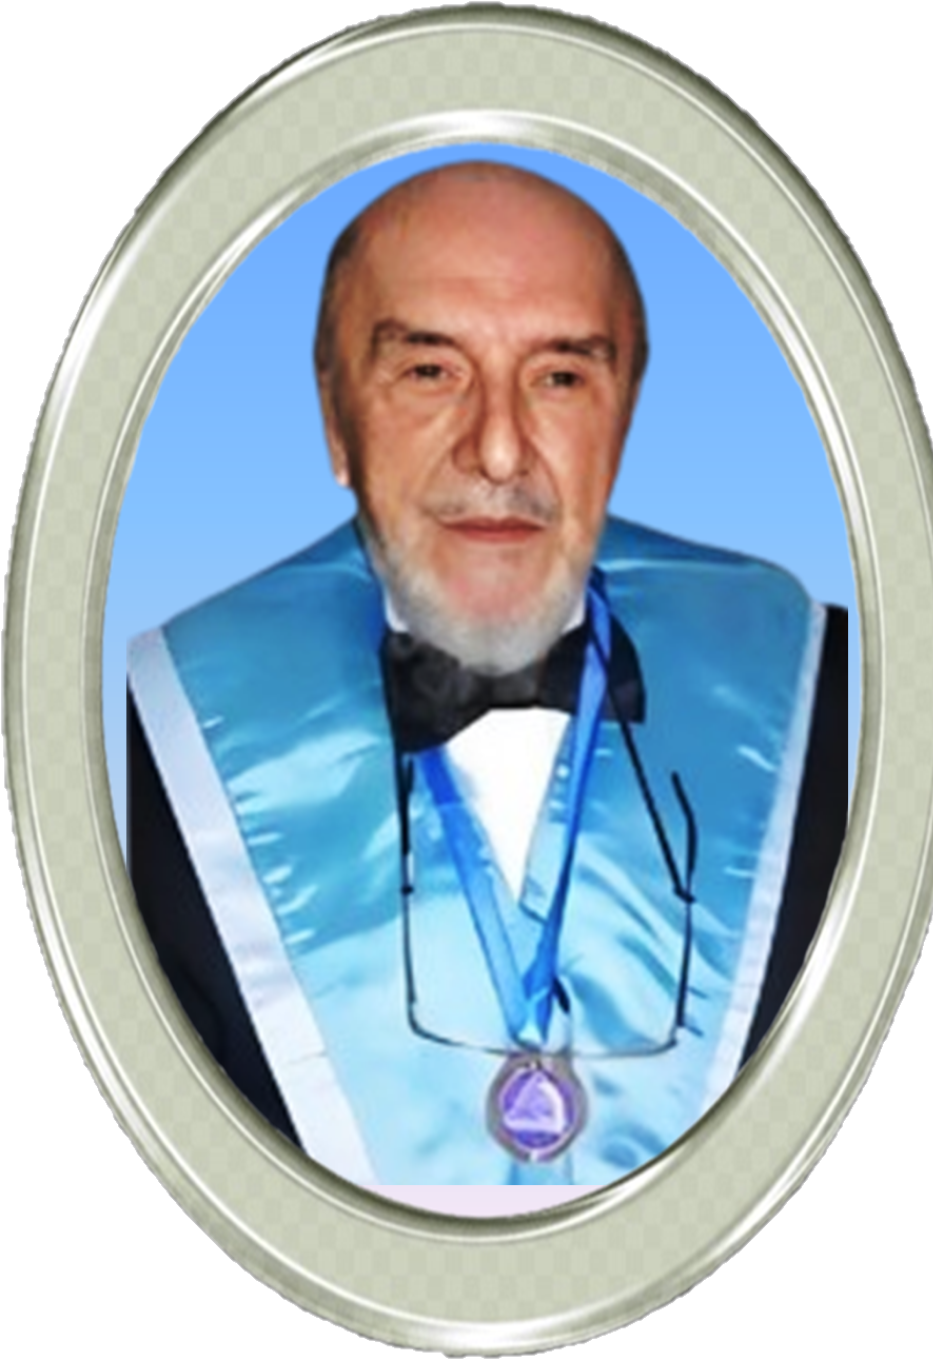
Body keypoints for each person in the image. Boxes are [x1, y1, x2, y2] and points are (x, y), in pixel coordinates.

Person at [127, 162, 847, 1188]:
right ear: (335, 418)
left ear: (624, 414)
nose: (500, 450)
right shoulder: (134, 754)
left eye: (560, 377)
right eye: (431, 371)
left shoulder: (850, 710)